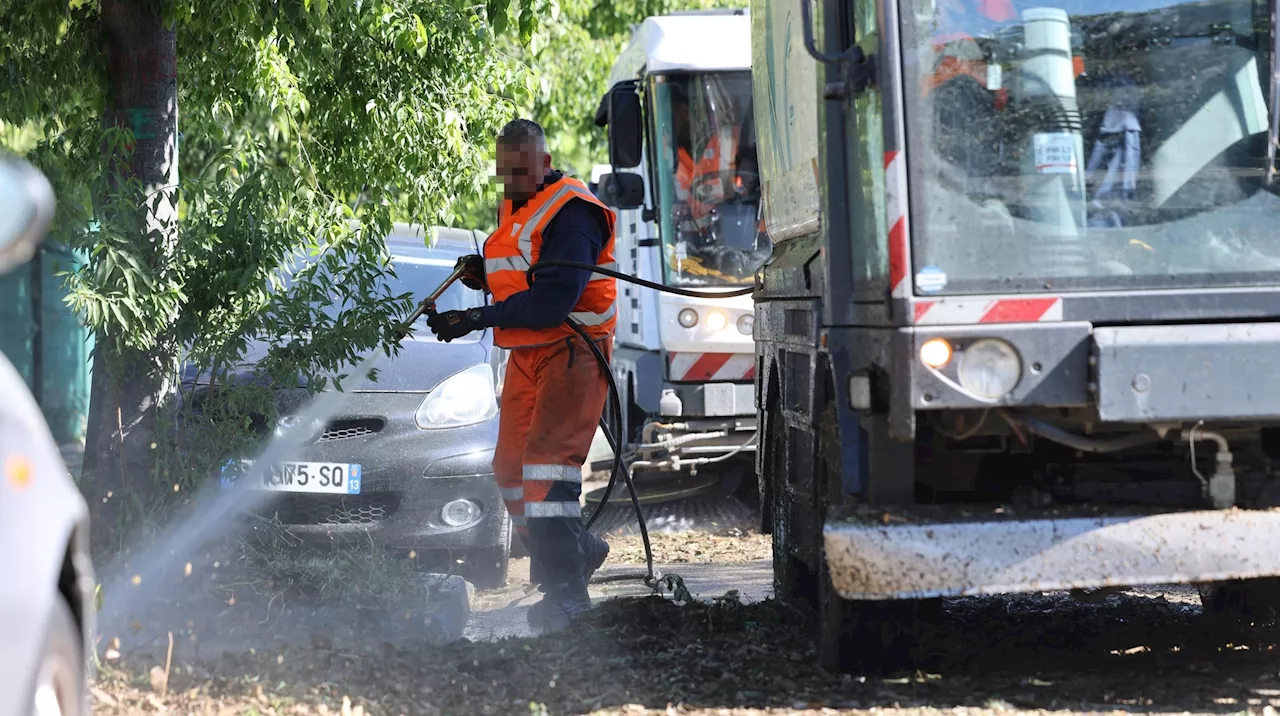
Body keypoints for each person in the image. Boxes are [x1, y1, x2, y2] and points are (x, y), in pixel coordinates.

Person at [425, 118, 616, 632]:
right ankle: (576, 549)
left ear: (544, 163)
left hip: (573, 353)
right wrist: (481, 274)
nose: (509, 180)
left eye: (519, 169)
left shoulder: (574, 212)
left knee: (546, 473)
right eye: (503, 171)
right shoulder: (519, 203)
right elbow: (524, 269)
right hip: (530, 356)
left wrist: (477, 317)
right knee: (511, 469)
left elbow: (554, 298)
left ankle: (568, 595)